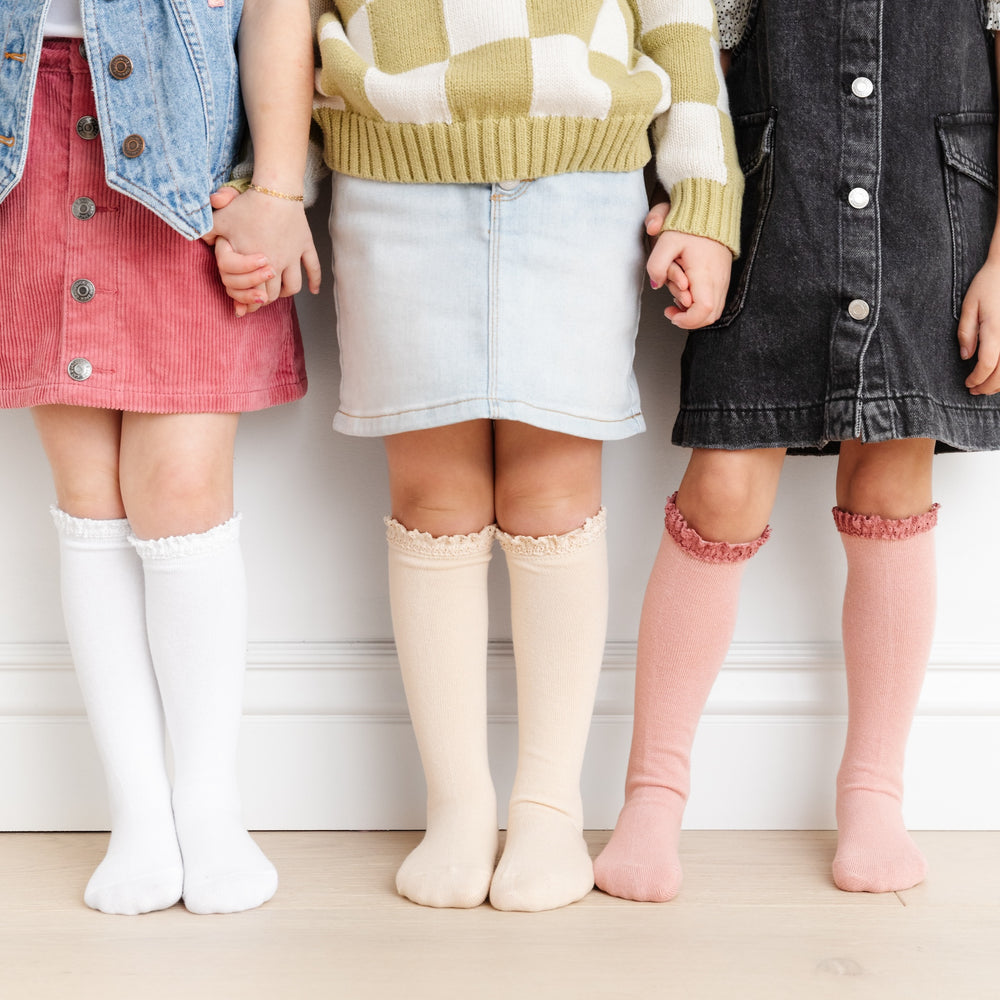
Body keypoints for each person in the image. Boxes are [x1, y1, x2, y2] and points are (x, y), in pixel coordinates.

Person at [301, 1, 742, 912]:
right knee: (432, 497)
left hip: (583, 181)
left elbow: (681, 28)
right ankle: (457, 805)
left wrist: (705, 198)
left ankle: (547, 804)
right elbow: (282, 24)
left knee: (554, 495)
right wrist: (275, 184)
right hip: (392, 176)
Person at [595, 0, 1000, 902]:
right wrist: (686, 196)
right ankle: (653, 795)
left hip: (929, 211)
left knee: (893, 473)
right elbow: (705, 56)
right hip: (774, 205)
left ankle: (874, 793)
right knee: (725, 481)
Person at [0, 0, 319, 914]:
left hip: (186, 145)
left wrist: (280, 187)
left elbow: (274, 8)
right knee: (88, 494)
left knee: (179, 487)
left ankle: (208, 807)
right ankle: (138, 813)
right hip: (24, 131)